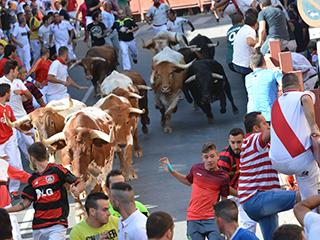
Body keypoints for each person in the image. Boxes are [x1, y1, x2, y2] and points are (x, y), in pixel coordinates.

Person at [239, 112, 299, 240]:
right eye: (265, 123)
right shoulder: (252, 139)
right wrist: (284, 117)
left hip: (257, 202)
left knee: (273, 238)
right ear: (256, 128)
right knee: (305, 195)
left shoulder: (261, 145)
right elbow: (270, 134)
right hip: (256, 198)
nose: (268, 125)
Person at [6, 142, 84, 240]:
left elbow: (79, 182)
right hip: (38, 227)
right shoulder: (33, 179)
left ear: (32, 158)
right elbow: (23, 204)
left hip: (57, 224)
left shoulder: (56, 170)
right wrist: (4, 211)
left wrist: (77, 190)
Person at [160, 143, 229, 240]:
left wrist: (225, 222)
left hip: (212, 219)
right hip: (193, 218)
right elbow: (187, 181)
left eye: (212, 156)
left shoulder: (223, 177)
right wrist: (171, 170)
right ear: (202, 158)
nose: (209, 160)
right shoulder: (196, 169)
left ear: (218, 156)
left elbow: (224, 201)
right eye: (206, 157)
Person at [270, 73, 320, 201]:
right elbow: (306, 100)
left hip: (277, 161)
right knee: (310, 198)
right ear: (300, 85)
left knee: (304, 195)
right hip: (299, 159)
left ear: (282, 88)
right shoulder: (302, 95)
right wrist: (314, 126)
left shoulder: (276, 103)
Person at [0, 60, 33, 189]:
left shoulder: (19, 82)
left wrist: (23, 92)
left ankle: (31, 166)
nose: (18, 72)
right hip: (6, 128)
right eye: (17, 70)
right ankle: (13, 185)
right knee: (8, 161)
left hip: (21, 119)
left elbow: (29, 97)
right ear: (12, 70)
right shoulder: (1, 82)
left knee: (29, 144)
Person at [218, 128, 256, 232]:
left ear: (244, 140)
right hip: (229, 193)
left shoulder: (249, 152)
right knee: (230, 227)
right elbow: (223, 186)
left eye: (239, 142)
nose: (236, 146)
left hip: (244, 192)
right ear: (228, 141)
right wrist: (241, 194)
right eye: (232, 142)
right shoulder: (224, 158)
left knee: (250, 222)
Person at [245, 52, 282, 122]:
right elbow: (284, 84)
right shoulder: (273, 73)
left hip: (251, 116)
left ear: (251, 65)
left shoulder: (248, 78)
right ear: (265, 62)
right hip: (269, 115)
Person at [232, 11, 258, 83]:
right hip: (245, 65)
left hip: (236, 63)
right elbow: (250, 42)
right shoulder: (251, 30)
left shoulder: (243, 29)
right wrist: (259, 42)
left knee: (246, 81)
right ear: (256, 24)